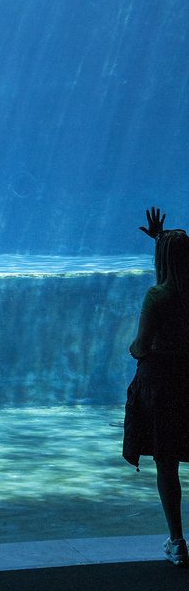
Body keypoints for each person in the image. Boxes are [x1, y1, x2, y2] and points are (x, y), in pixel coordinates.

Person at [123, 206, 189, 566]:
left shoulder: (157, 296)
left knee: (167, 464)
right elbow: (178, 260)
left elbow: (141, 345)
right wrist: (162, 239)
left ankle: (177, 541)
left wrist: (134, 349)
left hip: (163, 385)